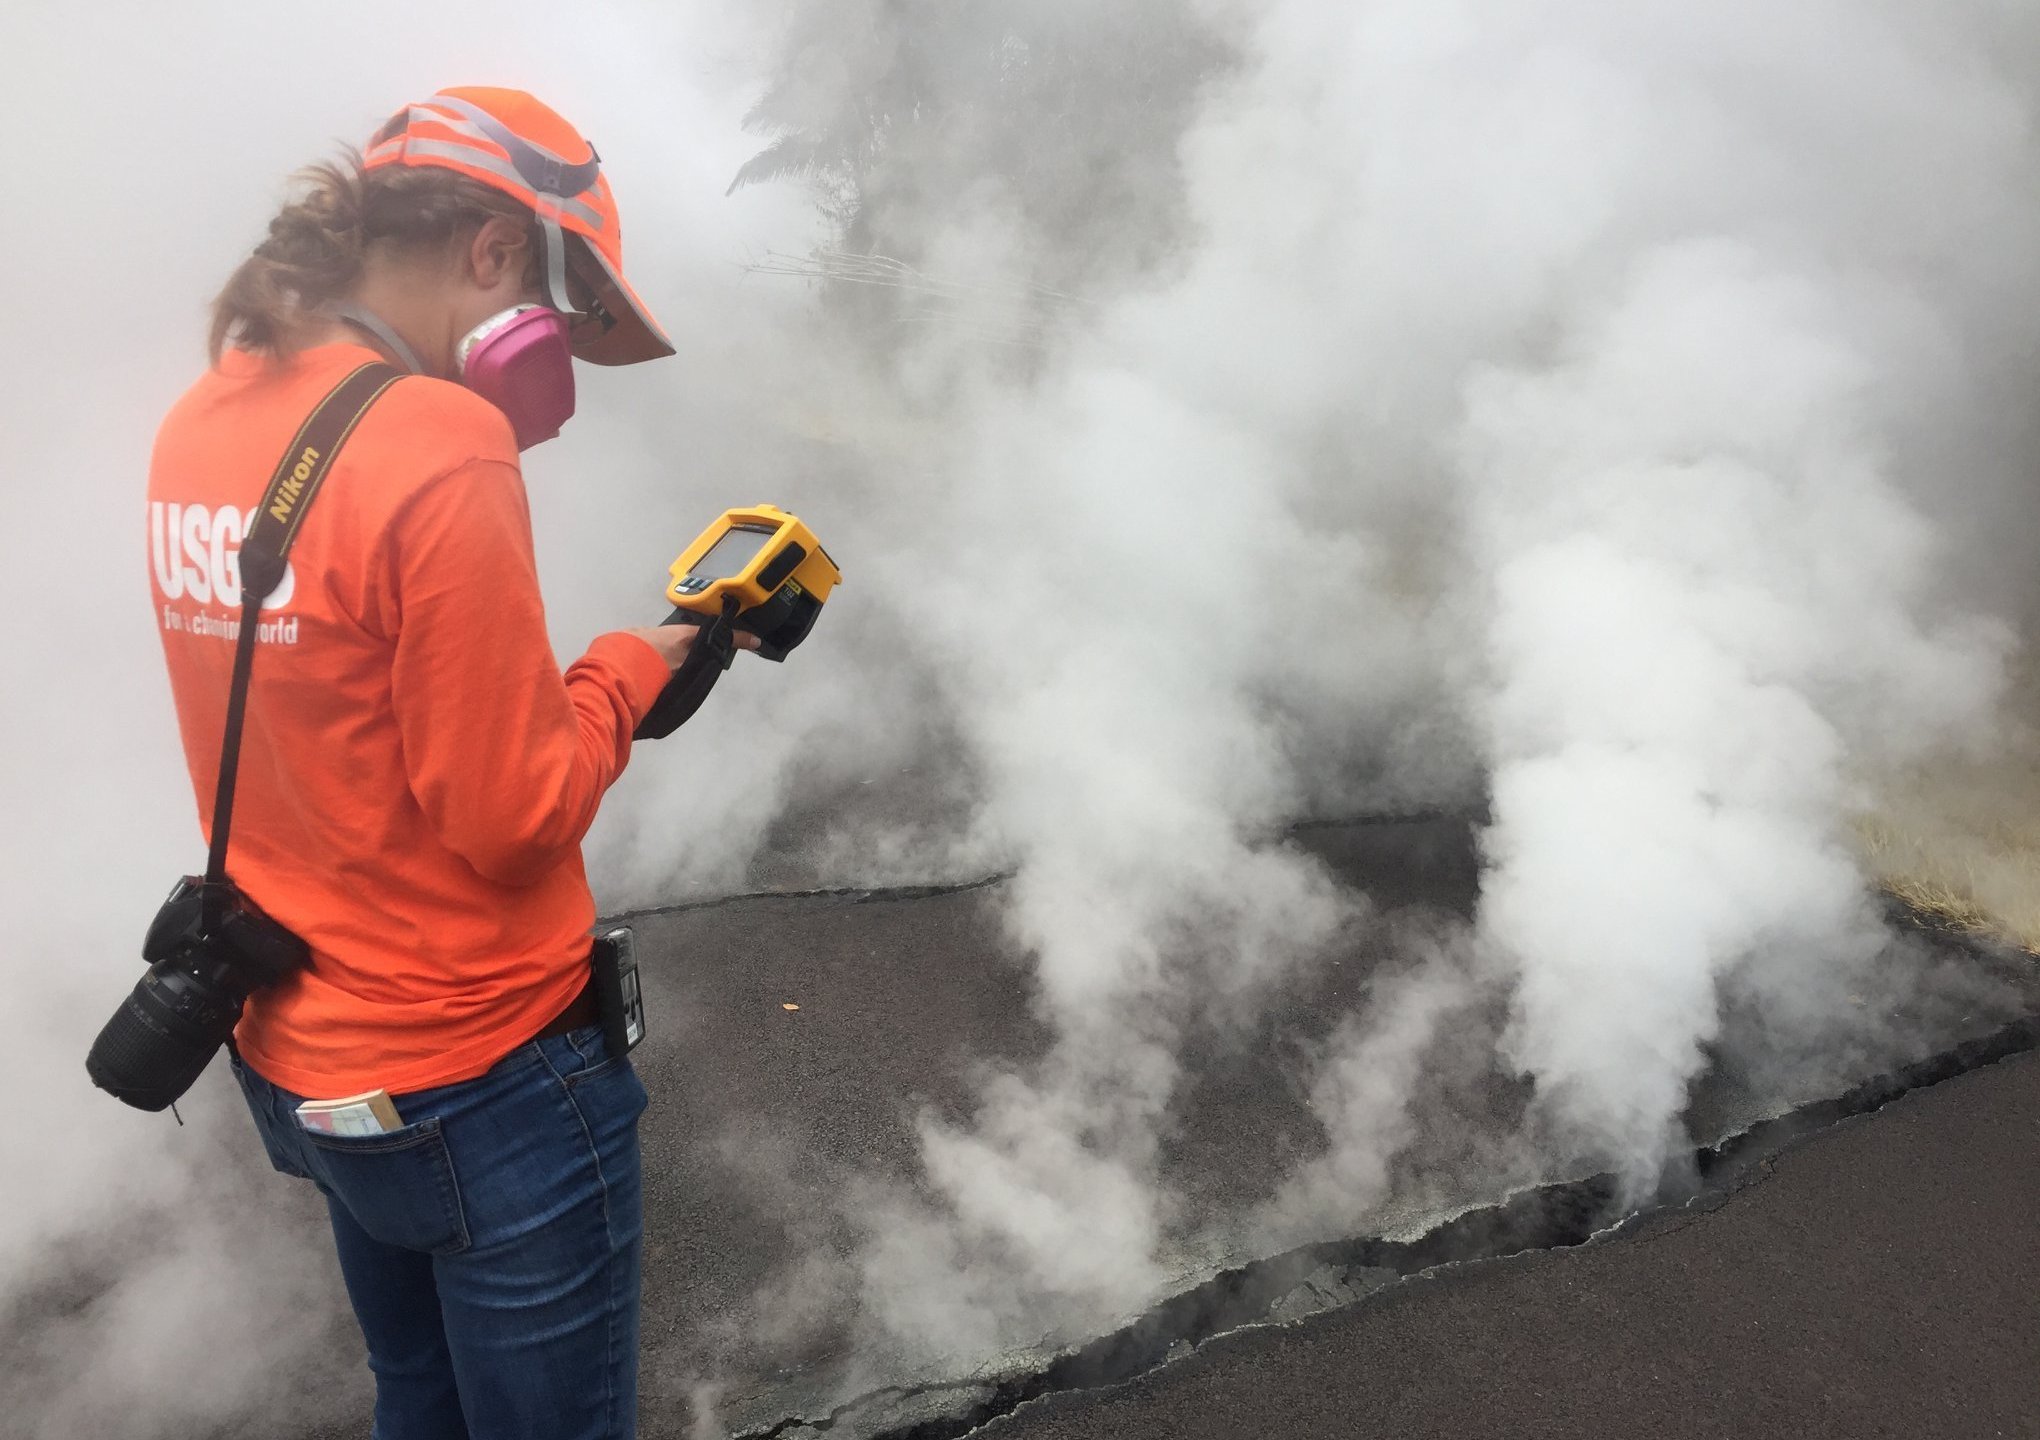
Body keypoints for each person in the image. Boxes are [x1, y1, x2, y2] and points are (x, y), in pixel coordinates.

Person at [146, 87, 735, 1439]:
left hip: (300, 1056)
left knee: (419, 1395)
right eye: (561, 293)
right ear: (489, 250)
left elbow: (328, 716)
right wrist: (631, 667)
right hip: (481, 1077)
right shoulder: (435, 441)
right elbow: (511, 815)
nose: (564, 345)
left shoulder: (206, 415)